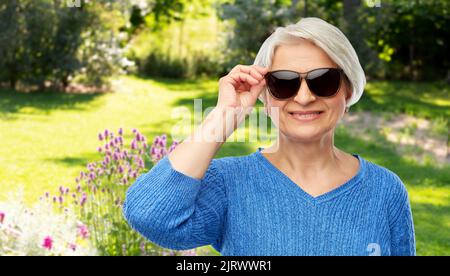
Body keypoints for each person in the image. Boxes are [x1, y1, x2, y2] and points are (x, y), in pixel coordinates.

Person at [123, 17, 415, 256]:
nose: (303, 97)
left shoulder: (385, 191)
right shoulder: (229, 184)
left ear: (347, 90)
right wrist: (224, 115)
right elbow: (149, 215)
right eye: (283, 83)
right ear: (264, 94)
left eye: (323, 80)